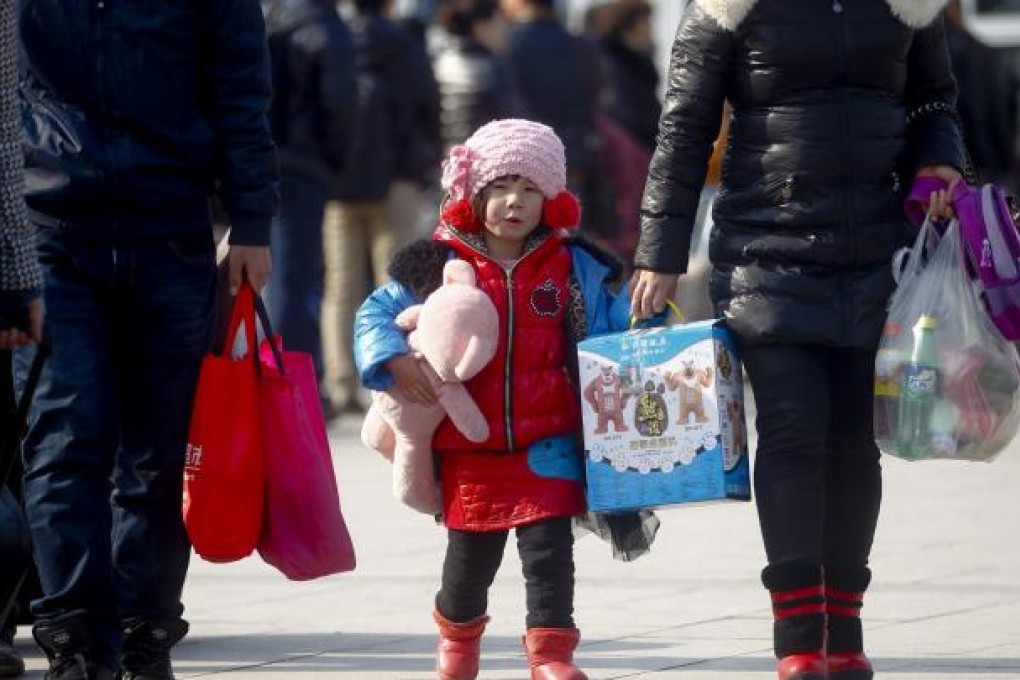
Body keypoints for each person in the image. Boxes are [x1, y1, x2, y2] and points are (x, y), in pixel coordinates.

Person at [630, 2, 965, 679]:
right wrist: (659, 251)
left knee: (852, 438)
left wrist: (942, 163)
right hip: (766, 249)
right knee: (790, 429)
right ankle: (798, 639)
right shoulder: (729, 6)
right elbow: (686, 126)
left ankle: (845, 629)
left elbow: (936, 103)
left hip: (879, 246)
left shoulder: (910, 4)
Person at [16, 0, 278, 677]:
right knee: (65, 438)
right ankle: (74, 639)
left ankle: (145, 631)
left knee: (161, 451)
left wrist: (252, 218)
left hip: (170, 231)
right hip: (46, 234)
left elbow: (241, 85)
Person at [355, 119, 638, 680]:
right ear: (472, 194)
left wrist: (644, 341)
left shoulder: (573, 264)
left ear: (552, 198)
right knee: (469, 561)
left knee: (550, 554)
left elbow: (616, 328)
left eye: (531, 188)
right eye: (501, 186)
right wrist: (392, 359)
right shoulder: (437, 263)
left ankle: (552, 656)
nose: (515, 201)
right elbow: (375, 314)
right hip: (470, 445)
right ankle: (457, 648)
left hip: (549, 437)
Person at [262, 0, 358, 384]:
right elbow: (341, 104)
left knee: (272, 274)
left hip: (262, 159)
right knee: (294, 278)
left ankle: (273, 367)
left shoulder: (271, 18)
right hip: (303, 165)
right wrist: (335, 160)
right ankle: (289, 378)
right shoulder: (327, 28)